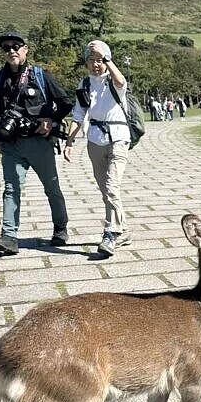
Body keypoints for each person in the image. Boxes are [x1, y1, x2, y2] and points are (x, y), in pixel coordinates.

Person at [0, 31, 73, 256]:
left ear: (25, 50)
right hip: (12, 145)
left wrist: (50, 120)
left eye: (16, 46)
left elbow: (65, 102)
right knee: (11, 189)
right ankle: (9, 237)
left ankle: (61, 228)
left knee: (51, 187)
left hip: (39, 142)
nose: (12, 50)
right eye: (7, 48)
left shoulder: (40, 75)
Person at [64, 41, 132, 257]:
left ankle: (110, 233)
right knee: (106, 191)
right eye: (91, 60)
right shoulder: (84, 84)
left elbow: (121, 81)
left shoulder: (113, 81)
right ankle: (124, 231)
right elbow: (78, 115)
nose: (96, 64)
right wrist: (69, 141)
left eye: (100, 60)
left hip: (118, 138)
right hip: (94, 140)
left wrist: (108, 59)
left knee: (112, 187)